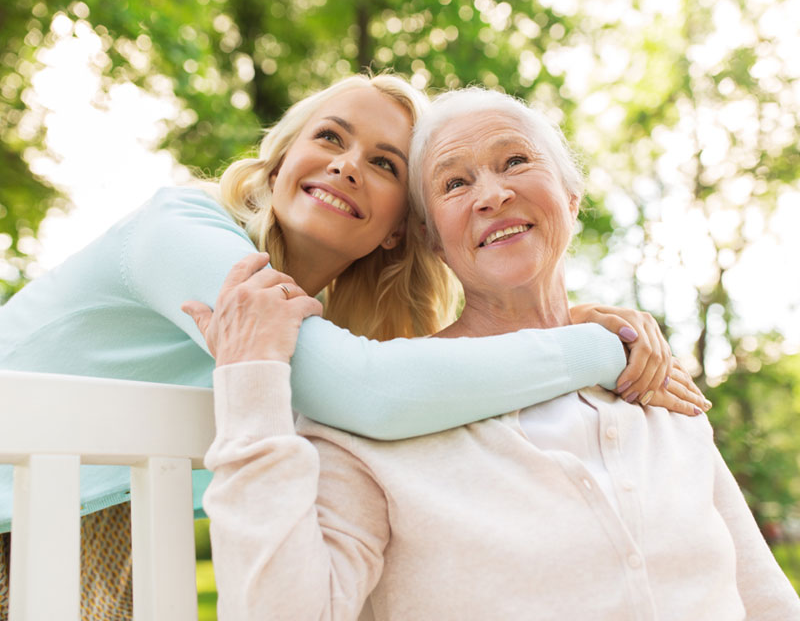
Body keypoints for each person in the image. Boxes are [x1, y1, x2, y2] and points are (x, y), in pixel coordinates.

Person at [0, 74, 698, 618]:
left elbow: (402, 386)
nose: (347, 165)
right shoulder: (174, 228)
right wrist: (606, 348)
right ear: (277, 166)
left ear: (402, 228)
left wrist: (551, 324)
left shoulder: (327, 344)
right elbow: (369, 391)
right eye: (331, 138)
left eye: (386, 163)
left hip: (95, 554)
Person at [197, 87, 800, 619]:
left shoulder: (654, 386)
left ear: (570, 197)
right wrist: (251, 383)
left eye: (515, 161)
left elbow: (766, 602)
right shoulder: (376, 419)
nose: (493, 194)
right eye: (455, 183)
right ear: (430, 239)